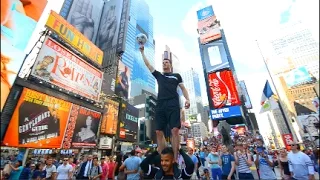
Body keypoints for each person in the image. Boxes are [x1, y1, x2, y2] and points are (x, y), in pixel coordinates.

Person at [139, 45, 190, 162]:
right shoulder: (159, 75)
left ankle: (175, 158)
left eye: (167, 62)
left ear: (170, 65)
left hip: (173, 104)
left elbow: (183, 89)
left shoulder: (176, 76)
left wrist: (187, 99)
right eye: (163, 62)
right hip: (160, 105)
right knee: (158, 131)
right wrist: (142, 53)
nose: (164, 63)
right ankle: (163, 157)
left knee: (174, 130)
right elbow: (148, 65)